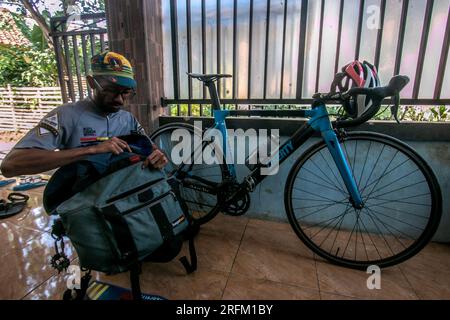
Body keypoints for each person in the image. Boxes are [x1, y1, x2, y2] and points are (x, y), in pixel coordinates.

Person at [0, 51, 168, 178]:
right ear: (91, 83)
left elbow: (152, 150)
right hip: (83, 206)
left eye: (125, 93)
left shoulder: (128, 119)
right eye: (110, 91)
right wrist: (93, 150)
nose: (119, 100)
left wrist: (158, 156)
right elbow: (11, 165)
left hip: (122, 203)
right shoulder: (66, 115)